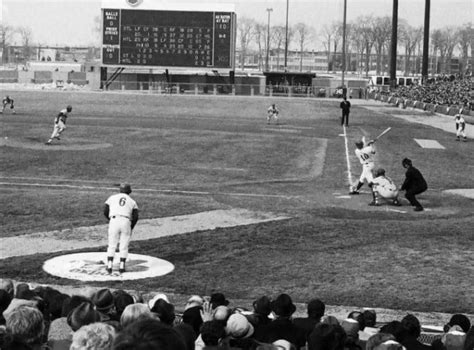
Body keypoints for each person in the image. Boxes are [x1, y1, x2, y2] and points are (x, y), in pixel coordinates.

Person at [103, 183, 139, 274]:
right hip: (126, 221)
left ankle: (110, 265)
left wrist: (111, 220)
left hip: (114, 220)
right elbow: (135, 217)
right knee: (124, 245)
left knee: (112, 244)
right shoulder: (132, 201)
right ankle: (122, 266)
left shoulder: (112, 197)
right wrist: (131, 227)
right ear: (129, 191)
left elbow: (105, 211)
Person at [350, 138, 377, 205]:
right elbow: (373, 152)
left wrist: (369, 143)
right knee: (362, 178)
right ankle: (356, 190)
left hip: (367, 166)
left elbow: (363, 148)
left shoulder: (356, 151)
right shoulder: (368, 149)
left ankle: (375, 200)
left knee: (371, 183)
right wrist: (371, 144)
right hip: (370, 165)